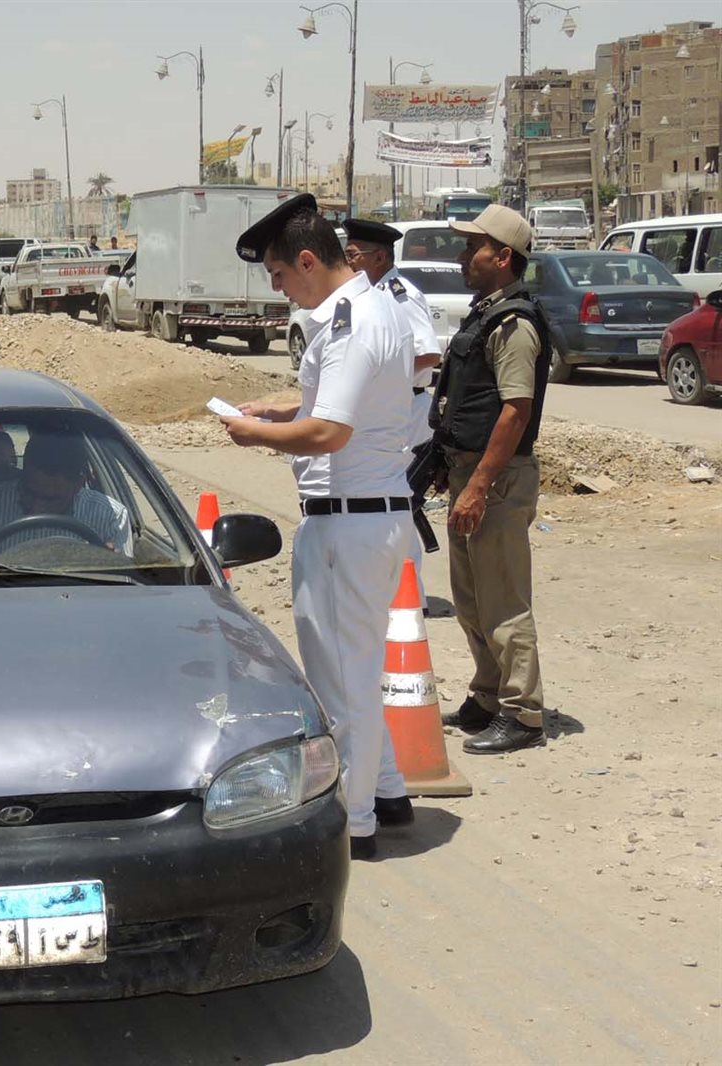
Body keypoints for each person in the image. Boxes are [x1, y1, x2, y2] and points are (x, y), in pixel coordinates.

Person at [217, 194, 415, 860]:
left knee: (341, 682)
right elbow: (339, 402)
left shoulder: (351, 323)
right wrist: (280, 410)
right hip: (365, 518)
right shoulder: (369, 310)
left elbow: (330, 431)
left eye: (279, 275)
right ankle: (385, 790)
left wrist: (254, 435)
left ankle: (353, 825)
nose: (279, 289)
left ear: (308, 260)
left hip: (349, 522)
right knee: (357, 670)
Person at [435, 205, 551, 755]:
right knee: (471, 599)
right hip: (472, 472)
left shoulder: (514, 325)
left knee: (503, 600)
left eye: (473, 247)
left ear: (503, 257)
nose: (464, 257)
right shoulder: (486, 315)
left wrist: (480, 484)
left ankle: (523, 712)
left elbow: (515, 411)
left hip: (498, 479)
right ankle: (487, 695)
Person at [344, 217, 444, 599]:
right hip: (391, 408)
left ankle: (408, 595)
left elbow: (429, 352)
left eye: (355, 255)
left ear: (380, 257)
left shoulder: (399, 293)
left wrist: (384, 373)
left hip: (408, 410)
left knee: (399, 500)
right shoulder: (372, 294)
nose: (349, 262)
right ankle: (397, 591)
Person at [0, 432, 131, 564]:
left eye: (51, 499)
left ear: (78, 484)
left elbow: (125, 588)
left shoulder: (108, 517)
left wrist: (107, 562)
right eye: (29, 492)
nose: (37, 507)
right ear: (22, 472)